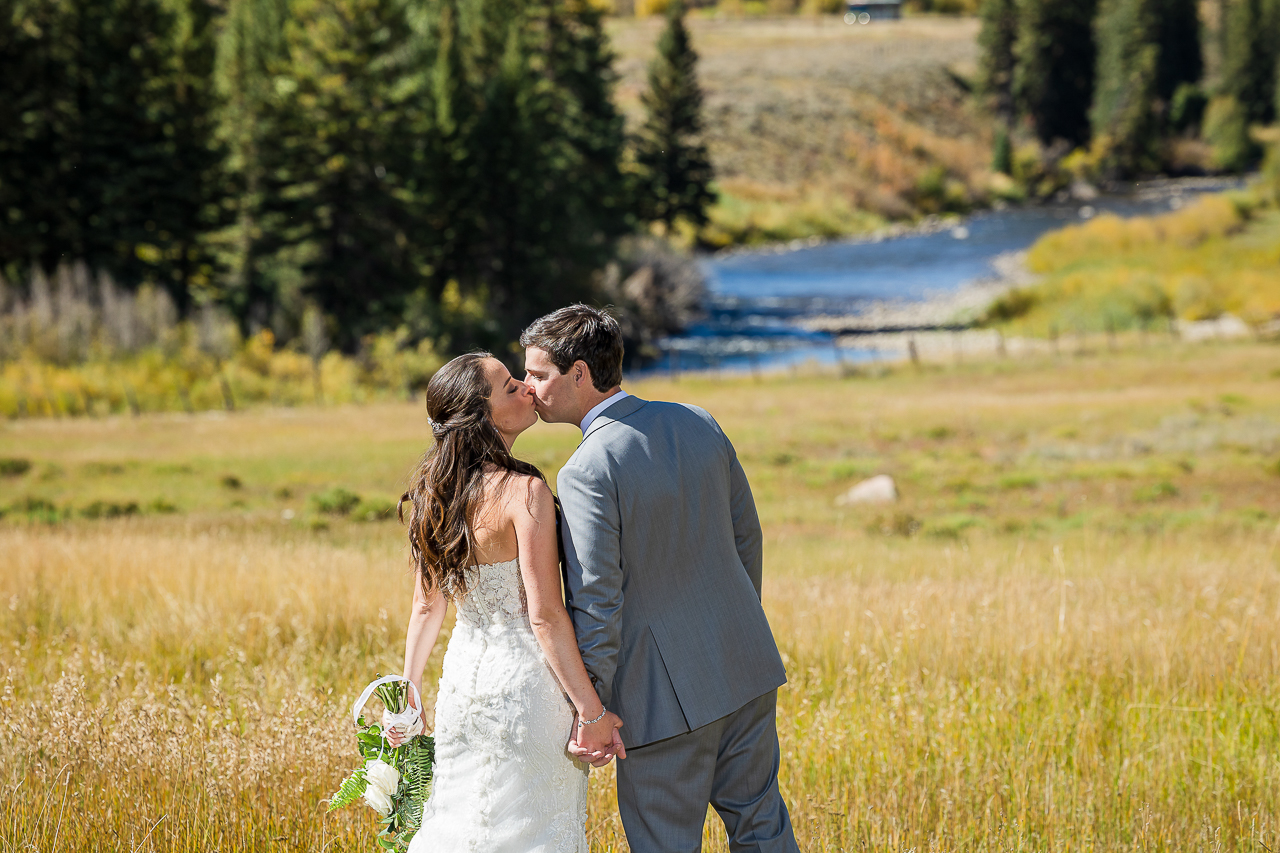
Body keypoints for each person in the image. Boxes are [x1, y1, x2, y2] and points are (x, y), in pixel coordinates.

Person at [521, 305, 800, 853]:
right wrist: (735, 627)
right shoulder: (698, 420)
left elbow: (597, 601)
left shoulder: (586, 470)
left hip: (660, 700)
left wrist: (592, 709)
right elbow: (748, 539)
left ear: (579, 373)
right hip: (744, 665)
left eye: (538, 374)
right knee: (762, 827)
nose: (529, 387)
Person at [390, 352, 624, 853]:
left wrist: (410, 690)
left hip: (463, 690)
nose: (526, 389)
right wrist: (591, 712)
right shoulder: (525, 492)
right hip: (527, 691)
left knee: (460, 818)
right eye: (509, 385)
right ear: (481, 415)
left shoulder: (433, 494)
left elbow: (426, 609)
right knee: (532, 830)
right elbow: (543, 615)